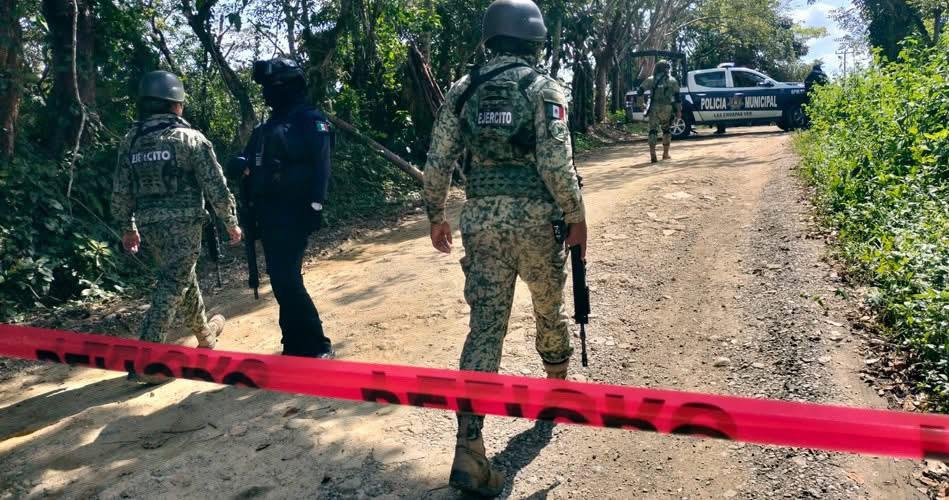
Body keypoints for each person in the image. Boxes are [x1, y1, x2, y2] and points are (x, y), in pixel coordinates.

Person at [423, 0, 587, 495]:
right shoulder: (543, 88)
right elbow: (555, 162)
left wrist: (436, 214)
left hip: (481, 223)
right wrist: (576, 214)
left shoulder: (463, 89)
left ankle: (469, 447)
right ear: (535, 40)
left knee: (485, 330)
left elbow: (438, 159)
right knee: (549, 306)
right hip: (537, 221)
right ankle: (556, 390)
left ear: (490, 38)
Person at [112, 71, 242, 383]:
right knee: (173, 283)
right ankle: (146, 362)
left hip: (149, 226)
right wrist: (231, 223)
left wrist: (128, 226)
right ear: (176, 104)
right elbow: (216, 186)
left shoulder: (131, 141)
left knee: (183, 276)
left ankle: (206, 336)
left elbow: (121, 190)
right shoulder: (190, 138)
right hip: (184, 224)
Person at [231, 57, 334, 359]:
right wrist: (239, 165)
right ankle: (293, 343)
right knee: (280, 279)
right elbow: (251, 162)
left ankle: (318, 344)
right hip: (268, 215)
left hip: (296, 212)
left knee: (286, 278)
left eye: (274, 86)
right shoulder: (265, 128)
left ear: (290, 86)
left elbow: (322, 165)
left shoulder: (310, 120)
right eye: (266, 87)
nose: (268, 93)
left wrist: (315, 205)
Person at [638, 60, 682, 162]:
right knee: (666, 130)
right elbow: (677, 97)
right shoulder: (673, 81)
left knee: (653, 130)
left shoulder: (651, 79)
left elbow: (640, 90)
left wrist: (641, 104)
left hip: (654, 108)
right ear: (667, 69)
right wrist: (678, 111)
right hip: (667, 108)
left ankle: (653, 154)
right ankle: (665, 154)